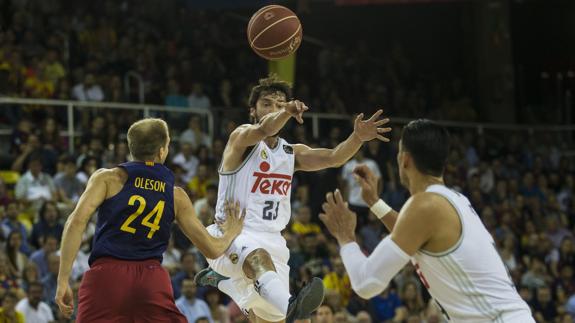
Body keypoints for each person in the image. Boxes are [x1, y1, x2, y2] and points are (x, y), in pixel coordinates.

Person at [194, 75, 391, 323]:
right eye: (266, 104)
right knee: (272, 280)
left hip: (273, 240)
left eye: (279, 104)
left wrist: (357, 138)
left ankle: (227, 282)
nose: (274, 109)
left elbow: (333, 157)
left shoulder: (291, 152)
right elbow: (266, 128)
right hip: (230, 234)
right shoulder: (241, 138)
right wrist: (286, 110)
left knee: (264, 318)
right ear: (252, 110)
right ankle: (288, 304)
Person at [318, 119, 535, 322]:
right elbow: (413, 237)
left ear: (405, 160)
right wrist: (375, 203)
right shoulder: (455, 198)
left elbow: (366, 284)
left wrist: (345, 237)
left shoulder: (425, 206)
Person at [55, 118, 245, 322]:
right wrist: (231, 231)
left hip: (107, 275)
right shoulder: (176, 195)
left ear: (131, 149)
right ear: (162, 151)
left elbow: (76, 223)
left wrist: (63, 279)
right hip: (151, 278)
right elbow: (213, 249)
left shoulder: (107, 179)